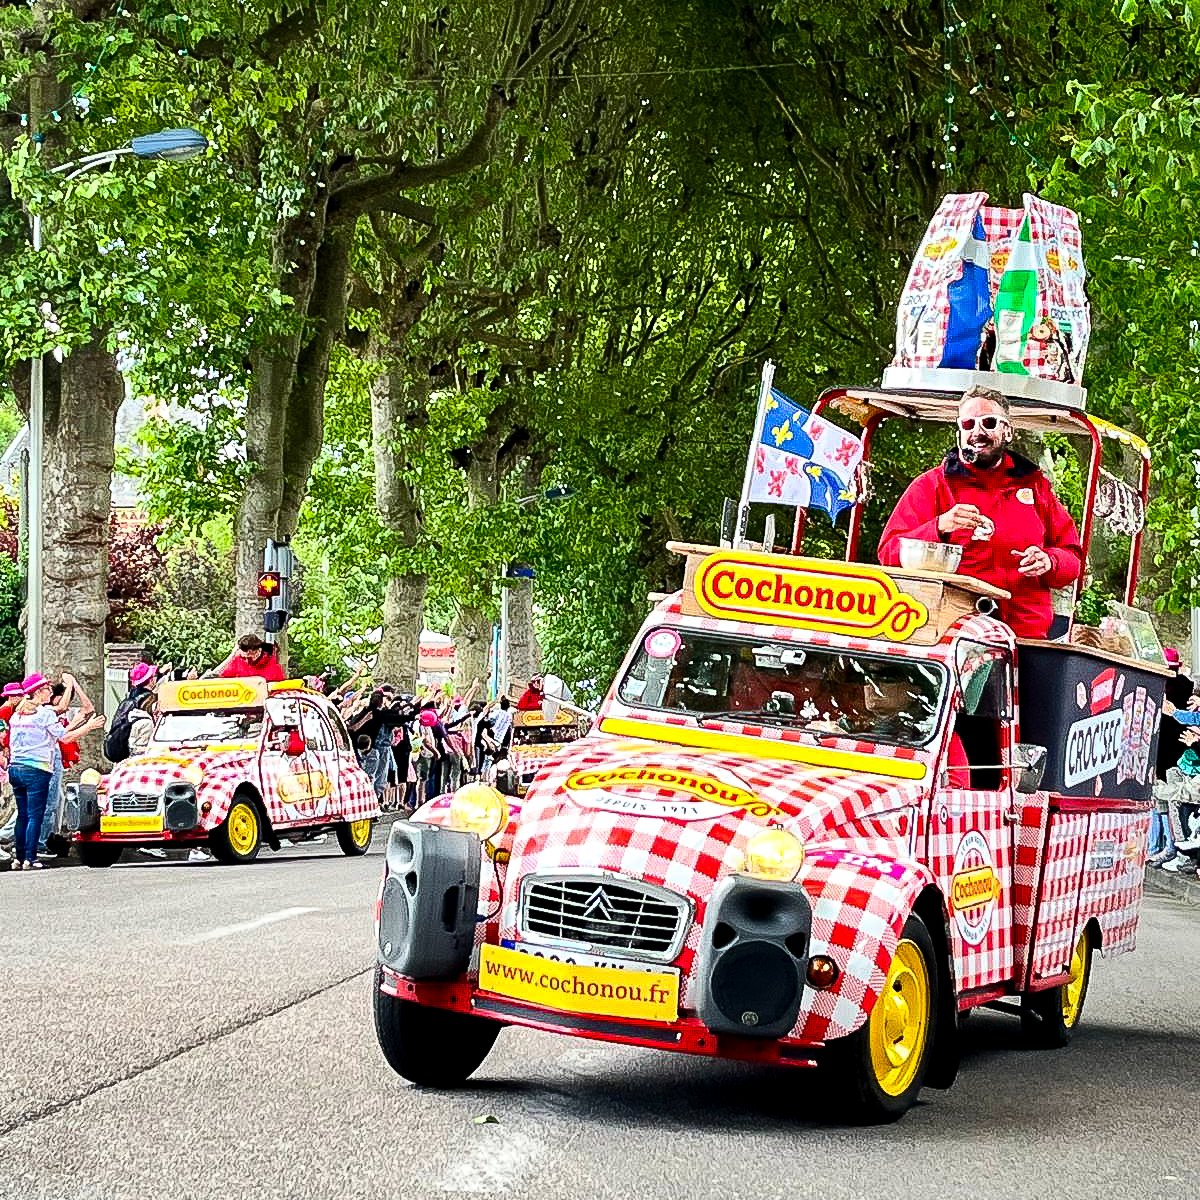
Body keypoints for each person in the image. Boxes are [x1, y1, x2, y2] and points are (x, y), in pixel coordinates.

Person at [878, 386, 1083, 639]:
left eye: (988, 422)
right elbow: (889, 552)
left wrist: (1050, 561)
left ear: (1007, 431)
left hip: (1025, 636)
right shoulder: (932, 486)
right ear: (959, 434)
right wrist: (939, 527)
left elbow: (1073, 559)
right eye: (968, 424)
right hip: (950, 634)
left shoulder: (1036, 487)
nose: (977, 432)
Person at [9, 673, 103, 870]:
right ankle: (31, 858)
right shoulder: (44, 714)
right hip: (36, 769)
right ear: (37, 692)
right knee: (36, 815)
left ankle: (19, 857)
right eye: (46, 689)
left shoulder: (18, 714)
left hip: (15, 768)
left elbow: (60, 713)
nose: (50, 691)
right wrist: (90, 726)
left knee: (23, 815)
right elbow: (66, 738)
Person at [213, 633, 286, 683]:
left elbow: (279, 688)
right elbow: (223, 678)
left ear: (258, 651)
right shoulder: (238, 660)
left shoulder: (273, 666)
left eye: (249, 657)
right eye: (243, 657)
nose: (246, 661)